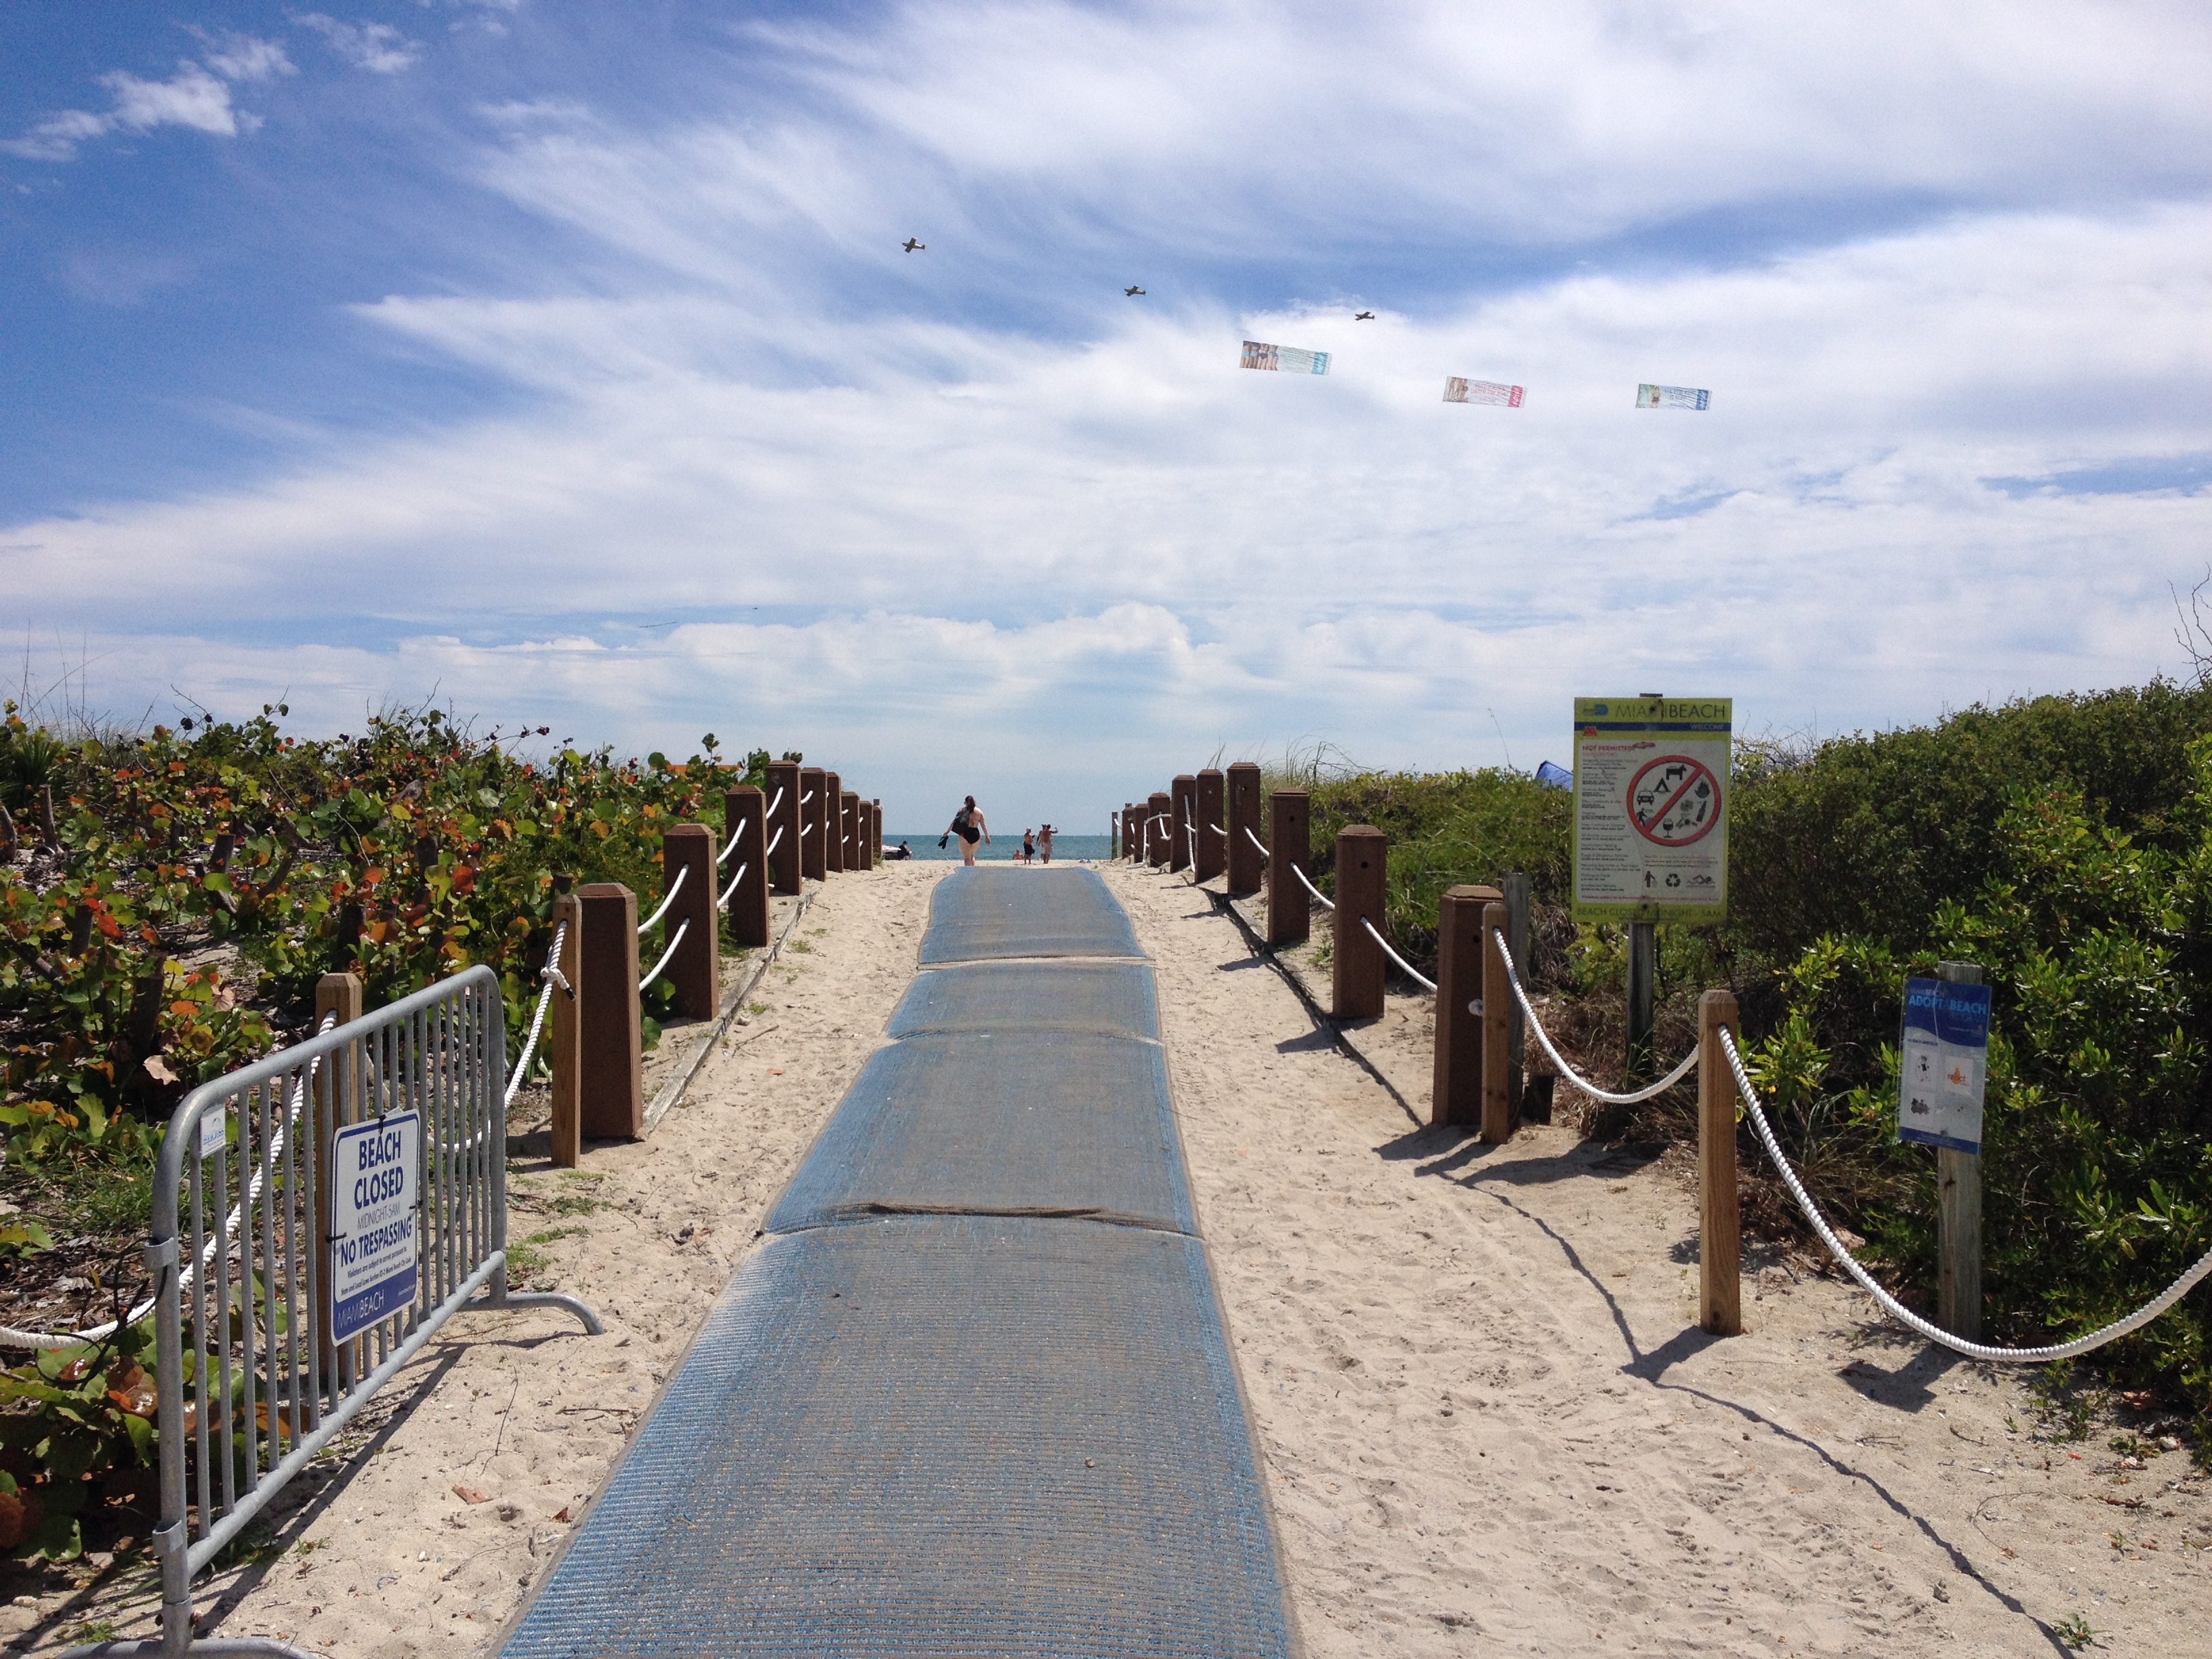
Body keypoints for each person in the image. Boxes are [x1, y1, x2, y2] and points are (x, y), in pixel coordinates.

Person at [941, 796, 989, 865]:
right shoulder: (979, 812)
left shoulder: (962, 810)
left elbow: (955, 822)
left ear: (966, 803)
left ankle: (968, 874)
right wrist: (987, 836)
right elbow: (983, 825)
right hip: (976, 834)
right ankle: (972, 872)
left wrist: (948, 832)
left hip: (965, 834)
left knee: (967, 858)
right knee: (972, 855)